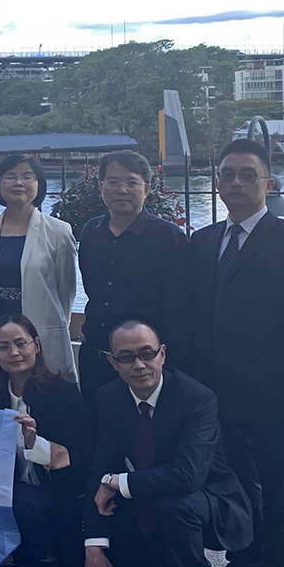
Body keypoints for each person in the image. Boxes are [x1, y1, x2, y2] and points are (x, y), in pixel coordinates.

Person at [187, 139, 284, 567]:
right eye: (229, 175)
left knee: (280, 489)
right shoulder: (203, 242)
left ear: (268, 184)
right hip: (214, 395)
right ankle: (243, 566)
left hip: (274, 396)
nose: (238, 183)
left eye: (249, 175)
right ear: (218, 184)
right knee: (234, 488)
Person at [84, 320, 253, 567]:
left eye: (147, 353)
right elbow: (100, 469)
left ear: (162, 354)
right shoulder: (108, 397)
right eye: (126, 356)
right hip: (151, 496)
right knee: (112, 547)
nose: (139, 364)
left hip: (209, 498)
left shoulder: (197, 398)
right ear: (111, 361)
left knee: (175, 503)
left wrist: (118, 483)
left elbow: (187, 476)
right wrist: (94, 544)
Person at [0, 313, 93, 567]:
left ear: (37, 346)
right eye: (3, 347)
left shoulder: (63, 394)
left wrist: (37, 444)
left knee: (23, 498)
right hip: (5, 487)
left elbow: (83, 458)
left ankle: (47, 561)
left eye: (21, 343)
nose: (14, 353)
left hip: (57, 492)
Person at [76, 150, 188, 409]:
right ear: (101, 187)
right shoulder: (91, 232)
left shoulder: (169, 238)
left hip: (144, 362)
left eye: (131, 182)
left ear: (146, 189)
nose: (122, 190)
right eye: (113, 182)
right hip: (97, 354)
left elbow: (178, 307)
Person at [0, 154, 78, 384]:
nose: (18, 183)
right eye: (10, 177)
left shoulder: (58, 232)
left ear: (38, 184)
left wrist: (57, 324)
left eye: (26, 177)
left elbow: (66, 290)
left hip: (40, 331)